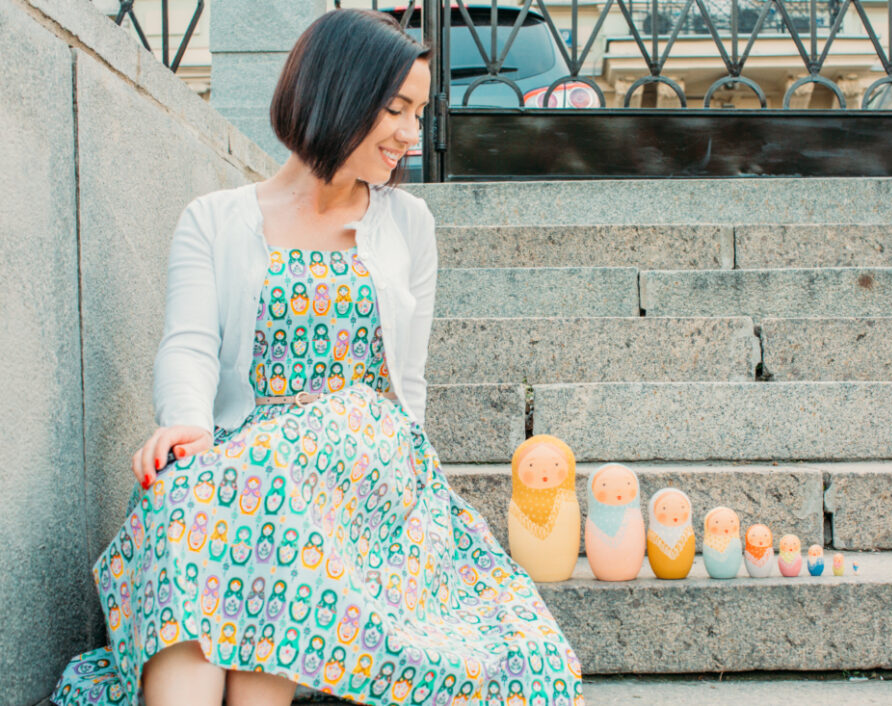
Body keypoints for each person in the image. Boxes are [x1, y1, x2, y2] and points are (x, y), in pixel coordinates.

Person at [52, 9, 583, 706]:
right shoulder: (212, 219)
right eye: (396, 108)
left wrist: (411, 501)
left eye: (418, 112)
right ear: (336, 91)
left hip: (363, 453)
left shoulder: (409, 228)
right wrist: (186, 423)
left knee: (247, 492)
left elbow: (407, 385)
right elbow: (188, 345)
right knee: (191, 489)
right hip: (250, 465)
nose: (409, 134)